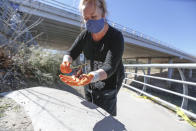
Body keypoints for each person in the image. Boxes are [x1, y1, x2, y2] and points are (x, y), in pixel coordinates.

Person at [59, 0, 125, 116]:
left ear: (103, 13)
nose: (89, 22)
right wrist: (66, 62)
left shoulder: (116, 37)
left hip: (108, 87)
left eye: (93, 16)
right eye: (86, 18)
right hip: (88, 84)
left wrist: (92, 76)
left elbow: (109, 66)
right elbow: (71, 52)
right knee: (90, 115)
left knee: (107, 120)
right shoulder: (85, 35)